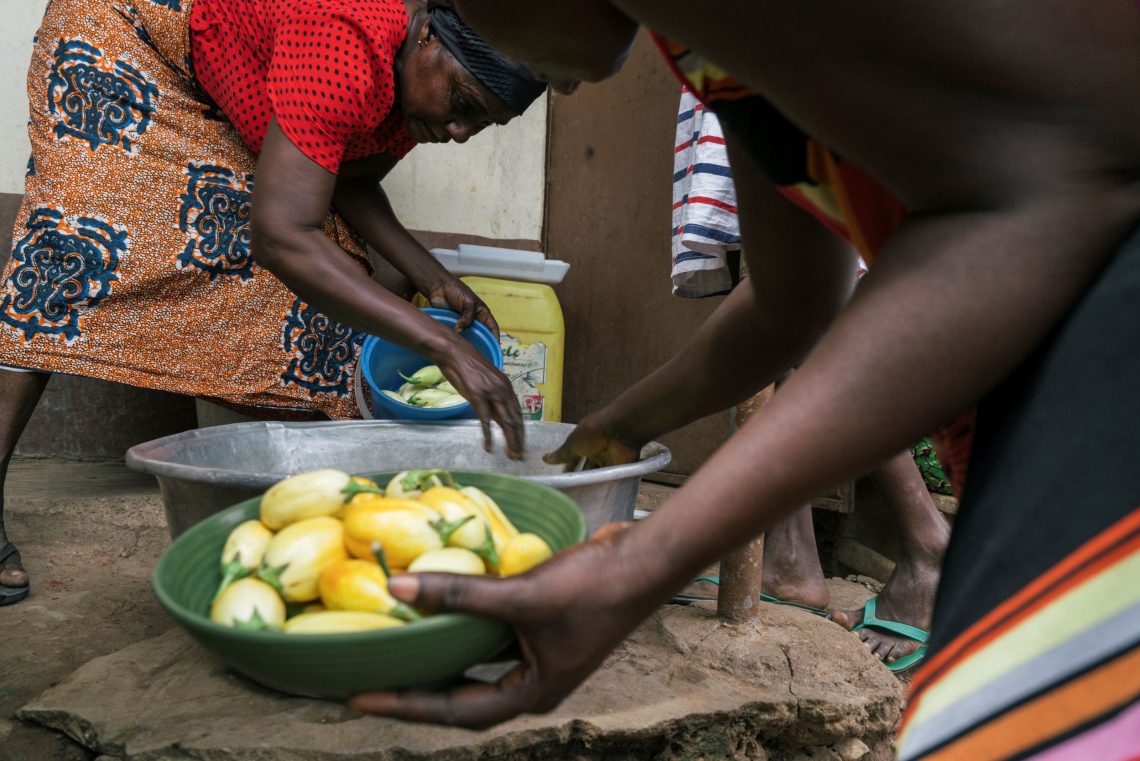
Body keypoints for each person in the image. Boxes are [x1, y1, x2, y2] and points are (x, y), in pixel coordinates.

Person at [350, 1, 1140, 757]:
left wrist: (645, 561)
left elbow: (1037, 197)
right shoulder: (716, 48)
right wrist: (623, 422)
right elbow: (792, 303)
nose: (548, 88)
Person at [0, 0, 545, 607]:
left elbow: (350, 176)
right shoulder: (346, 39)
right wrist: (442, 344)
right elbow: (283, 235)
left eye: (482, 125)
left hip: (212, 70)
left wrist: (434, 278)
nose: (459, 132)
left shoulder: (415, 91)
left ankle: (313, 528)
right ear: (425, 37)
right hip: (127, 28)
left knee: (322, 294)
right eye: (464, 106)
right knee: (70, 254)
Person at [668, 88, 949, 670]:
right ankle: (790, 560)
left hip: (783, 56)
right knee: (780, 289)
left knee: (806, 290)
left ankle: (927, 547)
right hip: (754, 60)